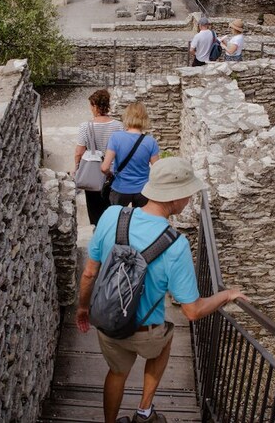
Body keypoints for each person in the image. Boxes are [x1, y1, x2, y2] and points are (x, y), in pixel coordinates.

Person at [77, 157, 248, 423]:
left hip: (108, 320)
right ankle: (144, 411)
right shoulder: (175, 245)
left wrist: (83, 308)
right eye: (188, 193)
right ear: (176, 197)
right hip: (146, 331)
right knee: (166, 338)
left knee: (116, 372)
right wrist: (226, 295)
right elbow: (192, 311)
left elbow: (89, 272)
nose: (189, 199)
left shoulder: (112, 215)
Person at [75, 89, 124, 225]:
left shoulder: (85, 126)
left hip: (93, 173)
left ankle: (98, 232)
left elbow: (79, 152)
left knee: (95, 210)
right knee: (111, 208)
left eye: (91, 106)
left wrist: (77, 168)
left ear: (95, 106)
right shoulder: (119, 126)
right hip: (112, 173)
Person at [101, 102, 160, 208]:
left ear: (126, 117)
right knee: (140, 221)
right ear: (144, 118)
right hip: (143, 189)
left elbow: (104, 167)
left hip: (120, 187)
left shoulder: (116, 138)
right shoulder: (150, 142)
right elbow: (157, 169)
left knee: (117, 219)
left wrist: (111, 173)